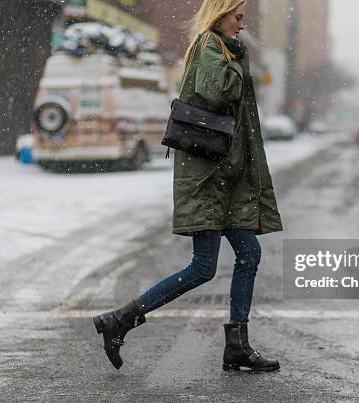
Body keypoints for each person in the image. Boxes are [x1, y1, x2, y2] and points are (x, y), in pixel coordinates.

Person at [92, 0, 283, 372]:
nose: (242, 25)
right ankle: (120, 320)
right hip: (209, 180)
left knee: (249, 253)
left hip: (223, 180)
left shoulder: (220, 47)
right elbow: (220, 93)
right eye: (238, 17)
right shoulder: (210, 46)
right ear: (221, 14)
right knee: (202, 268)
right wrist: (240, 60)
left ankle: (237, 345)